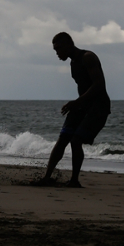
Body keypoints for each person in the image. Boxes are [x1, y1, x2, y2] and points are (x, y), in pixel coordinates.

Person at [37, 32, 111, 188]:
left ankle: (74, 181)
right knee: (63, 138)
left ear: (68, 45)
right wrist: (77, 104)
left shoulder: (88, 57)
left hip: (98, 106)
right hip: (82, 106)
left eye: (58, 49)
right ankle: (47, 177)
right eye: (55, 50)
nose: (57, 53)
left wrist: (76, 102)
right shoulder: (73, 63)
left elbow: (99, 85)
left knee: (76, 140)